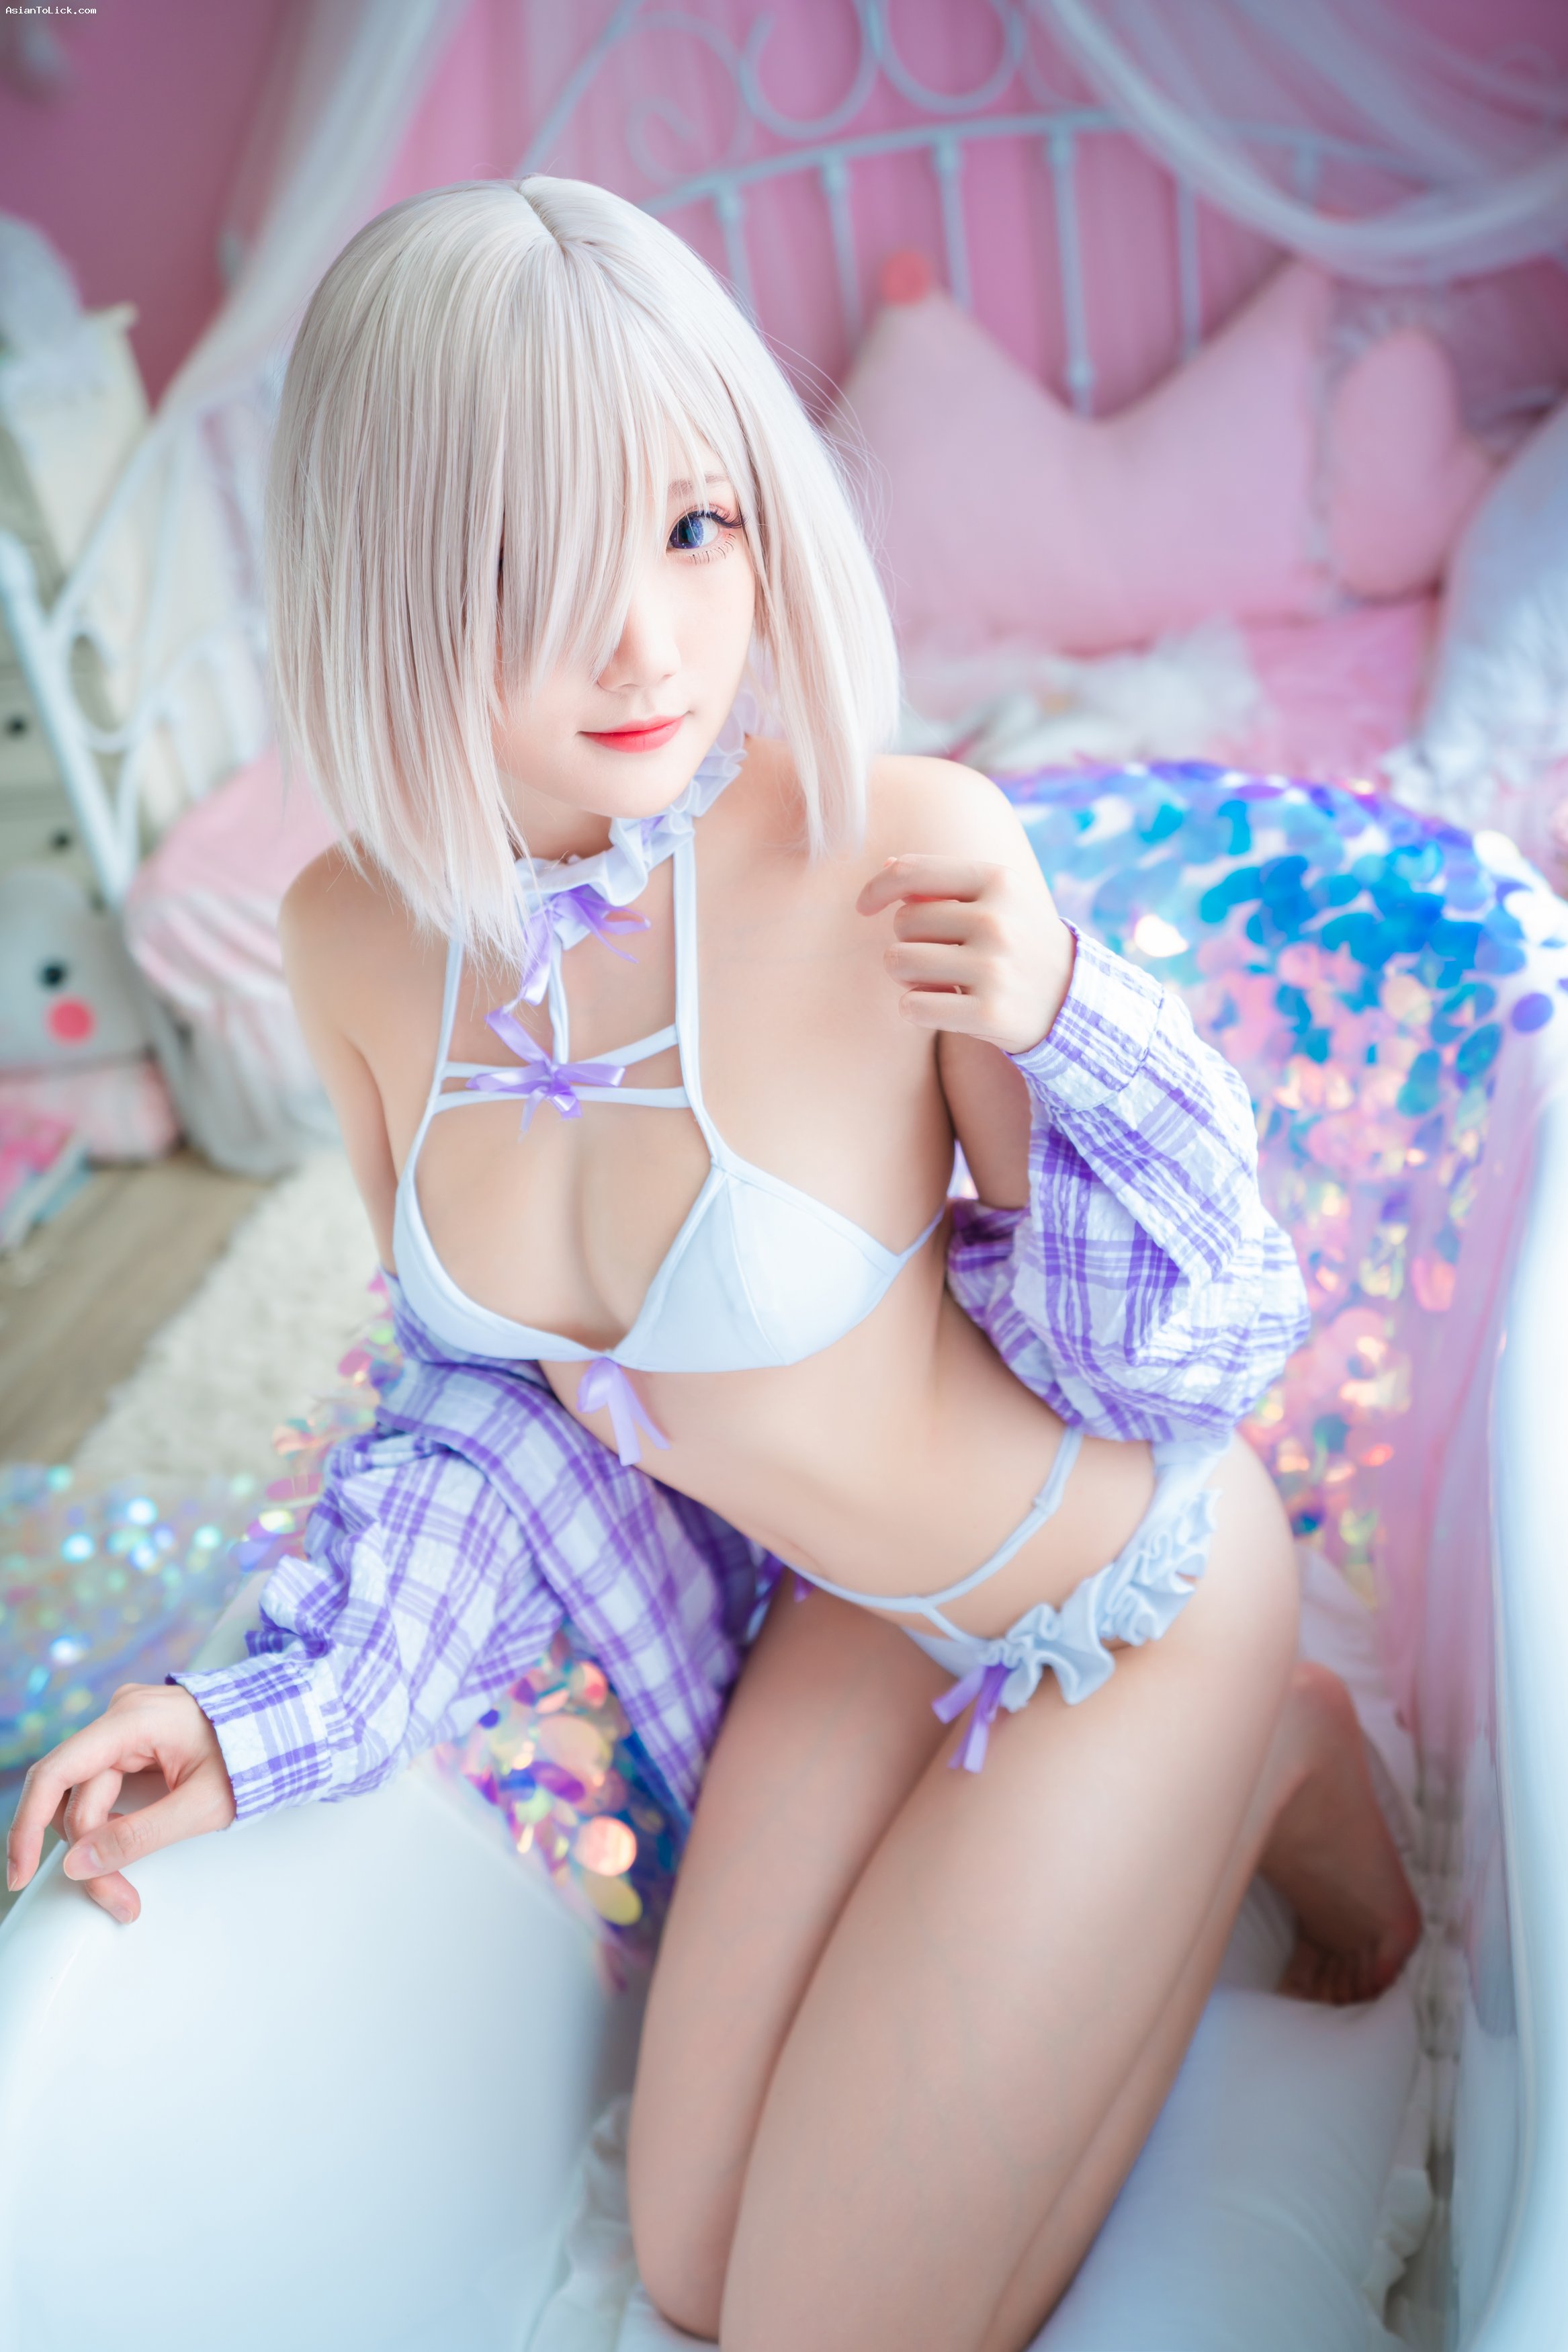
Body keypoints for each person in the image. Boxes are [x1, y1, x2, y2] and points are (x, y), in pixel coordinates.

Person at [5, 178, 1420, 2351]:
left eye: (693, 527)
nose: (651, 644)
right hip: (855, 1622)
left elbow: (1172, 1352)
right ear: (390, 577)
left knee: (820, 2325)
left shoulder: (896, 849)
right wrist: (262, 1715)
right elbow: (487, 1401)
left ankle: (1255, 1742)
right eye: (531, 566)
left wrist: (1067, 1018)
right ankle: (1229, 1779)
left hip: (1115, 1579)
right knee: (682, 2261)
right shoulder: (352, 939)